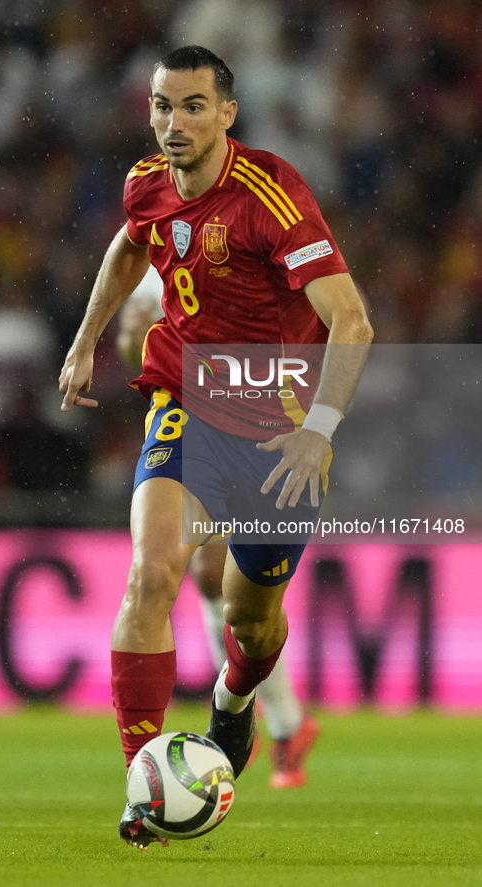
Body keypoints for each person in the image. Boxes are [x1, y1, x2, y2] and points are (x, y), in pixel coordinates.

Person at [59, 45, 373, 849]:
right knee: (151, 572)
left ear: (226, 114)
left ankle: (235, 703)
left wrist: (318, 432)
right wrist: (86, 339)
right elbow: (129, 246)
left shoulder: (271, 194)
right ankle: (142, 787)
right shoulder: (145, 184)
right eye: (163, 105)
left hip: (277, 437)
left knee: (252, 622)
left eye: (193, 105)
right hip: (185, 407)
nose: (173, 122)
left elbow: (351, 320)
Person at [117, 266, 320, 790]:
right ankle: (265, 723)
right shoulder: (156, 248)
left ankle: (273, 718)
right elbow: (130, 349)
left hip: (269, 429)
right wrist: (138, 337)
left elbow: (335, 333)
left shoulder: (280, 242)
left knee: (250, 610)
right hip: (193, 427)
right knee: (199, 577)